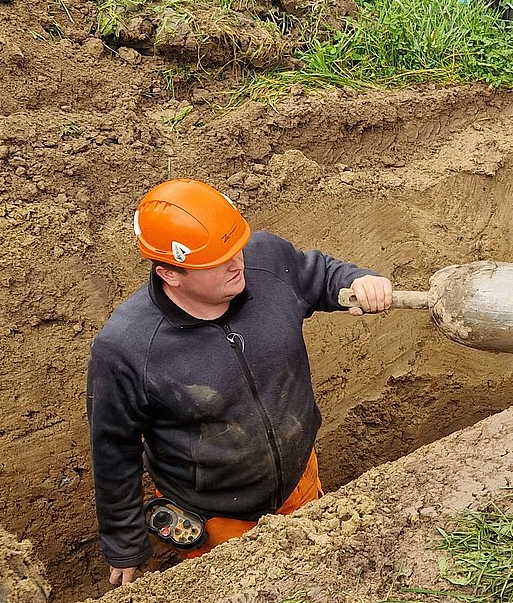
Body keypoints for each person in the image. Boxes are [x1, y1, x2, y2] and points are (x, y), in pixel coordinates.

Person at [86, 178, 392, 587]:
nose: (238, 264)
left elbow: (320, 273)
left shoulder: (264, 259)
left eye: (237, 250)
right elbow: (113, 449)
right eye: (218, 260)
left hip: (300, 483)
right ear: (170, 274)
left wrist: (357, 280)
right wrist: (124, 543)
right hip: (219, 521)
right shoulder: (126, 348)